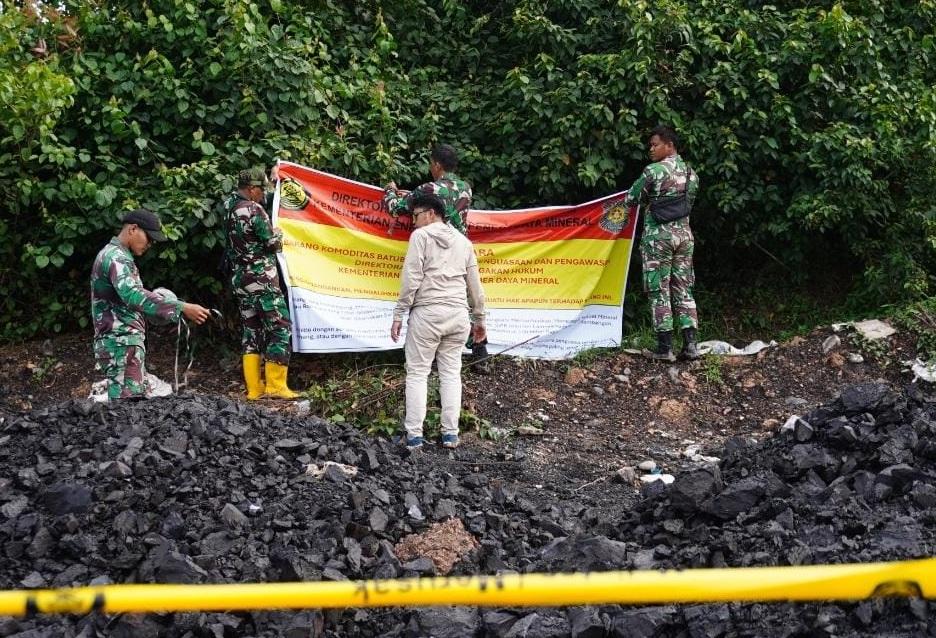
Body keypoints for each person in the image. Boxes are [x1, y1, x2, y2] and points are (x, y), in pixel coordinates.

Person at [390, 193, 486, 450]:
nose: (414, 222)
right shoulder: (464, 243)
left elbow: (411, 278)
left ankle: (414, 436)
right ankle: (450, 435)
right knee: (451, 374)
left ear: (431, 214)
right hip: (457, 316)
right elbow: (475, 286)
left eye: (416, 216)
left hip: (428, 314)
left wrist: (399, 314)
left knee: (418, 373)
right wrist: (479, 320)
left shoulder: (420, 237)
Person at [384, 144, 489, 361]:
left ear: (437, 165)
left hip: (434, 252)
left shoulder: (429, 189)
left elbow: (395, 207)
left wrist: (390, 191)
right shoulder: (466, 188)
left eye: (431, 164)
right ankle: (479, 348)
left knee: (429, 296)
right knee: (466, 294)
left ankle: (425, 352)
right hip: (460, 251)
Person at [91, 209, 210, 400]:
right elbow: (133, 295)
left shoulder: (115, 255)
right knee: (127, 411)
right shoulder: (116, 258)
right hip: (121, 344)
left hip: (122, 345)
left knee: (129, 407)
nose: (151, 244)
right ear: (133, 229)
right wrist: (181, 307)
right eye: (149, 237)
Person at [623, 125, 701, 362]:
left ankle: (664, 348)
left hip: (659, 240)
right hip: (684, 238)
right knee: (683, 288)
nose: (651, 149)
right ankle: (691, 346)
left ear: (670, 145)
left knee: (659, 290)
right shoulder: (691, 173)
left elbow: (631, 198)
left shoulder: (653, 171)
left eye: (655, 144)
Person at [222, 167, 299, 400]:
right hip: (261, 280)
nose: (263, 195)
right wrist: (279, 233)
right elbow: (272, 243)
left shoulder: (228, 207)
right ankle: (276, 386)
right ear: (252, 189)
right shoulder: (253, 210)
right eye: (261, 190)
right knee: (279, 327)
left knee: (252, 330)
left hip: (240, 280)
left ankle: (254, 389)